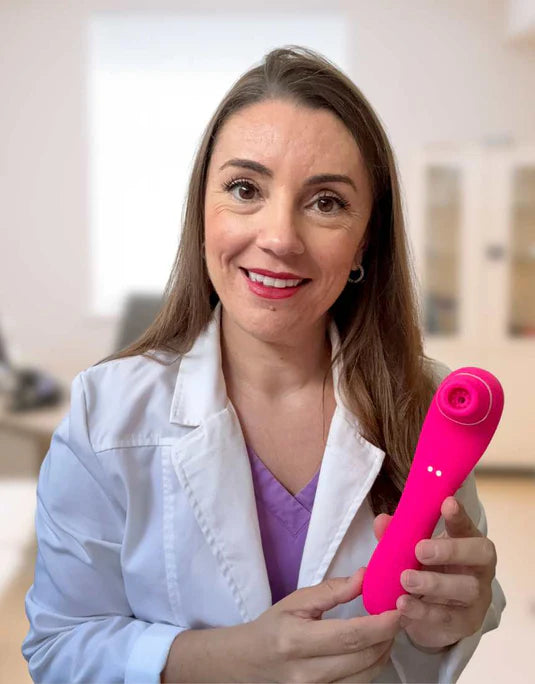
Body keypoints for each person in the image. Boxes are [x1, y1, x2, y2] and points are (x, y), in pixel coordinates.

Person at [22, 45, 505, 683]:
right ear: (202, 212)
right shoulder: (105, 411)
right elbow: (60, 647)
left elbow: (428, 647)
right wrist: (236, 660)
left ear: (365, 239)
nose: (279, 238)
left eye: (326, 202)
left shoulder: (427, 401)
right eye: (245, 189)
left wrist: (450, 625)